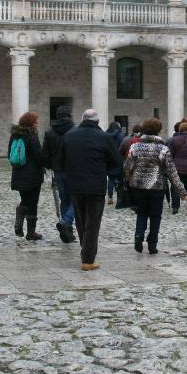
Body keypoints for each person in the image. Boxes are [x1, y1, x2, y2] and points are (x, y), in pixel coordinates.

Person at [58, 109, 121, 271]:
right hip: (95, 186)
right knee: (93, 223)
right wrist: (107, 172)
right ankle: (87, 259)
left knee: (81, 221)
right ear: (97, 121)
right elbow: (116, 162)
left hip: (75, 185)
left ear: (82, 119)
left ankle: (85, 252)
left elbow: (60, 161)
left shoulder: (69, 136)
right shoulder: (104, 138)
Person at [124, 118, 186, 254]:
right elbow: (171, 171)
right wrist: (181, 190)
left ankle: (138, 235)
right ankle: (152, 244)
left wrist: (129, 179)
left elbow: (127, 167)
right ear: (158, 130)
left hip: (138, 186)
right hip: (157, 187)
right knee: (155, 216)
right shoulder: (163, 149)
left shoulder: (135, 147)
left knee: (141, 213)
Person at [9, 111, 47, 240]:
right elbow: (38, 156)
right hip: (33, 175)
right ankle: (31, 233)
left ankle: (19, 223)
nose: (37, 123)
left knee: (25, 199)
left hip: (18, 173)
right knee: (32, 202)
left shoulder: (14, 136)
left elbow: (10, 153)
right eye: (36, 121)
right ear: (31, 123)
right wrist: (46, 162)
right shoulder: (32, 136)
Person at [42, 105, 77, 243]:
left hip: (58, 171)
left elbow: (45, 154)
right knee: (76, 198)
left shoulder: (49, 132)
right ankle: (66, 222)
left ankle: (67, 232)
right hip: (73, 170)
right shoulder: (75, 131)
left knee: (65, 199)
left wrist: (51, 165)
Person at [105, 120, 124, 204]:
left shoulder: (106, 136)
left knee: (111, 179)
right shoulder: (120, 136)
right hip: (119, 159)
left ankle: (110, 197)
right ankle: (120, 199)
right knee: (120, 179)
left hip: (109, 160)